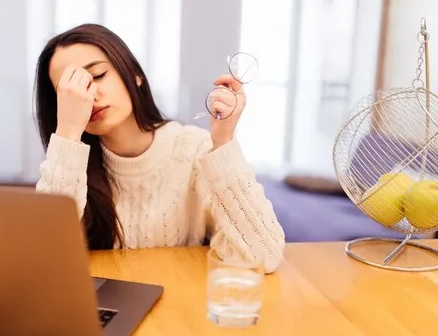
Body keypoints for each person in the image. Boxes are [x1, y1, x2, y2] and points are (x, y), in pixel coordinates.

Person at [34, 23, 285, 273]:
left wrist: (223, 142)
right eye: (70, 91)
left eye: (98, 76)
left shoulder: (195, 150)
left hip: (178, 305)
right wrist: (67, 134)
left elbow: (264, 256)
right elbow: (41, 262)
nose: (89, 96)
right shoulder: (68, 165)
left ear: (135, 75)